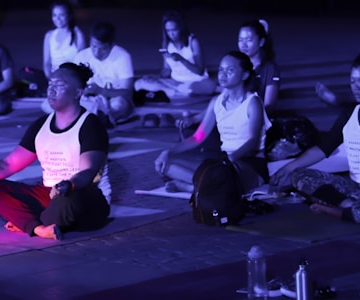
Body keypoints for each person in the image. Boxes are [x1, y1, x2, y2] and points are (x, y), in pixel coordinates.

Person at [0, 62, 110, 241]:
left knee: (62, 204)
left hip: (82, 195)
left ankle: (29, 222)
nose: (51, 90)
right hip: (48, 192)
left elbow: (87, 172)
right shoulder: (41, 125)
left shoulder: (90, 125)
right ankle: (40, 228)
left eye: (60, 86)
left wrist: (66, 185)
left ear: (78, 92)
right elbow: (8, 164)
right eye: (50, 84)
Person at [271, 47, 360, 224]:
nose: (355, 87)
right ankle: (347, 206)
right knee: (298, 176)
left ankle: (338, 210)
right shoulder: (349, 113)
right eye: (352, 81)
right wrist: (288, 167)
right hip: (356, 187)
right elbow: (324, 148)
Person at [154, 51, 271, 193]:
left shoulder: (252, 102)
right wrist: (168, 151)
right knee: (166, 165)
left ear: (245, 75)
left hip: (249, 164)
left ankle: (191, 187)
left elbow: (252, 142)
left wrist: (230, 158)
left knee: (219, 176)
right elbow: (198, 137)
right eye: (221, 69)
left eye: (230, 70)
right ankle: (204, 185)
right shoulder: (216, 101)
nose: (223, 74)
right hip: (223, 162)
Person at [133, 11, 215, 103]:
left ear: (181, 28)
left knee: (207, 86)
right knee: (138, 84)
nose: (171, 34)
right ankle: (175, 93)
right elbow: (166, 70)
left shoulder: (193, 42)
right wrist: (153, 77)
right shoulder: (166, 45)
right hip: (175, 82)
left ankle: (170, 93)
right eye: (168, 30)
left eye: (174, 30)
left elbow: (199, 71)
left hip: (195, 81)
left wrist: (181, 59)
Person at [69, 21, 135, 126]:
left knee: (120, 104)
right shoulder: (82, 56)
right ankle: (98, 118)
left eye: (103, 49)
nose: (97, 53)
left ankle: (94, 118)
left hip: (112, 100)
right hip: (89, 100)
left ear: (112, 45)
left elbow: (127, 92)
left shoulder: (122, 56)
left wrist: (101, 91)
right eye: (94, 47)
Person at [42, 0, 85, 78]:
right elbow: (46, 63)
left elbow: (82, 64)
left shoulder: (77, 34)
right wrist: (51, 79)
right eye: (54, 15)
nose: (57, 18)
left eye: (61, 15)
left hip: (72, 78)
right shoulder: (49, 35)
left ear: (69, 16)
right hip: (54, 77)